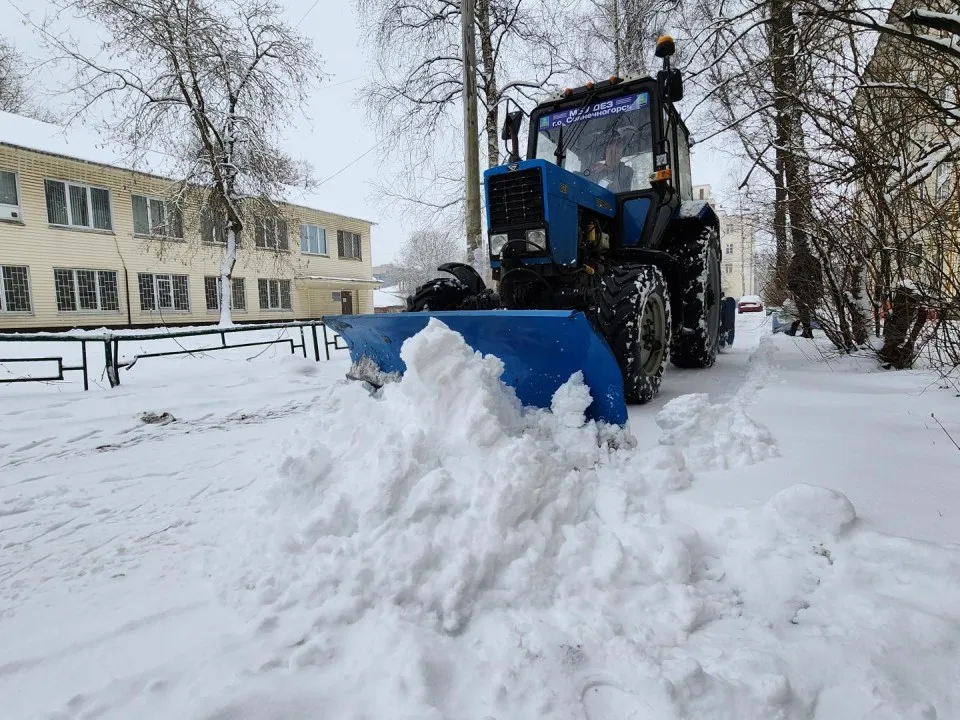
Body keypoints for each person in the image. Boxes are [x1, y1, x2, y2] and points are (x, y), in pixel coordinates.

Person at [785, 244, 822, 338]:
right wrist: (819, 289)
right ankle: (800, 330)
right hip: (813, 289)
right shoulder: (814, 260)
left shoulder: (796, 261)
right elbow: (819, 276)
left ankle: (805, 331)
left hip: (800, 290)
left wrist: (791, 289)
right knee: (806, 310)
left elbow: (791, 277)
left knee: (801, 310)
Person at [585, 127, 635, 193]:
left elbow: (620, 194)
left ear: (622, 152)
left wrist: (609, 170)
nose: (614, 149)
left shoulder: (627, 171)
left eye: (618, 145)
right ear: (606, 149)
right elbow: (595, 194)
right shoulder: (594, 171)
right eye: (611, 145)